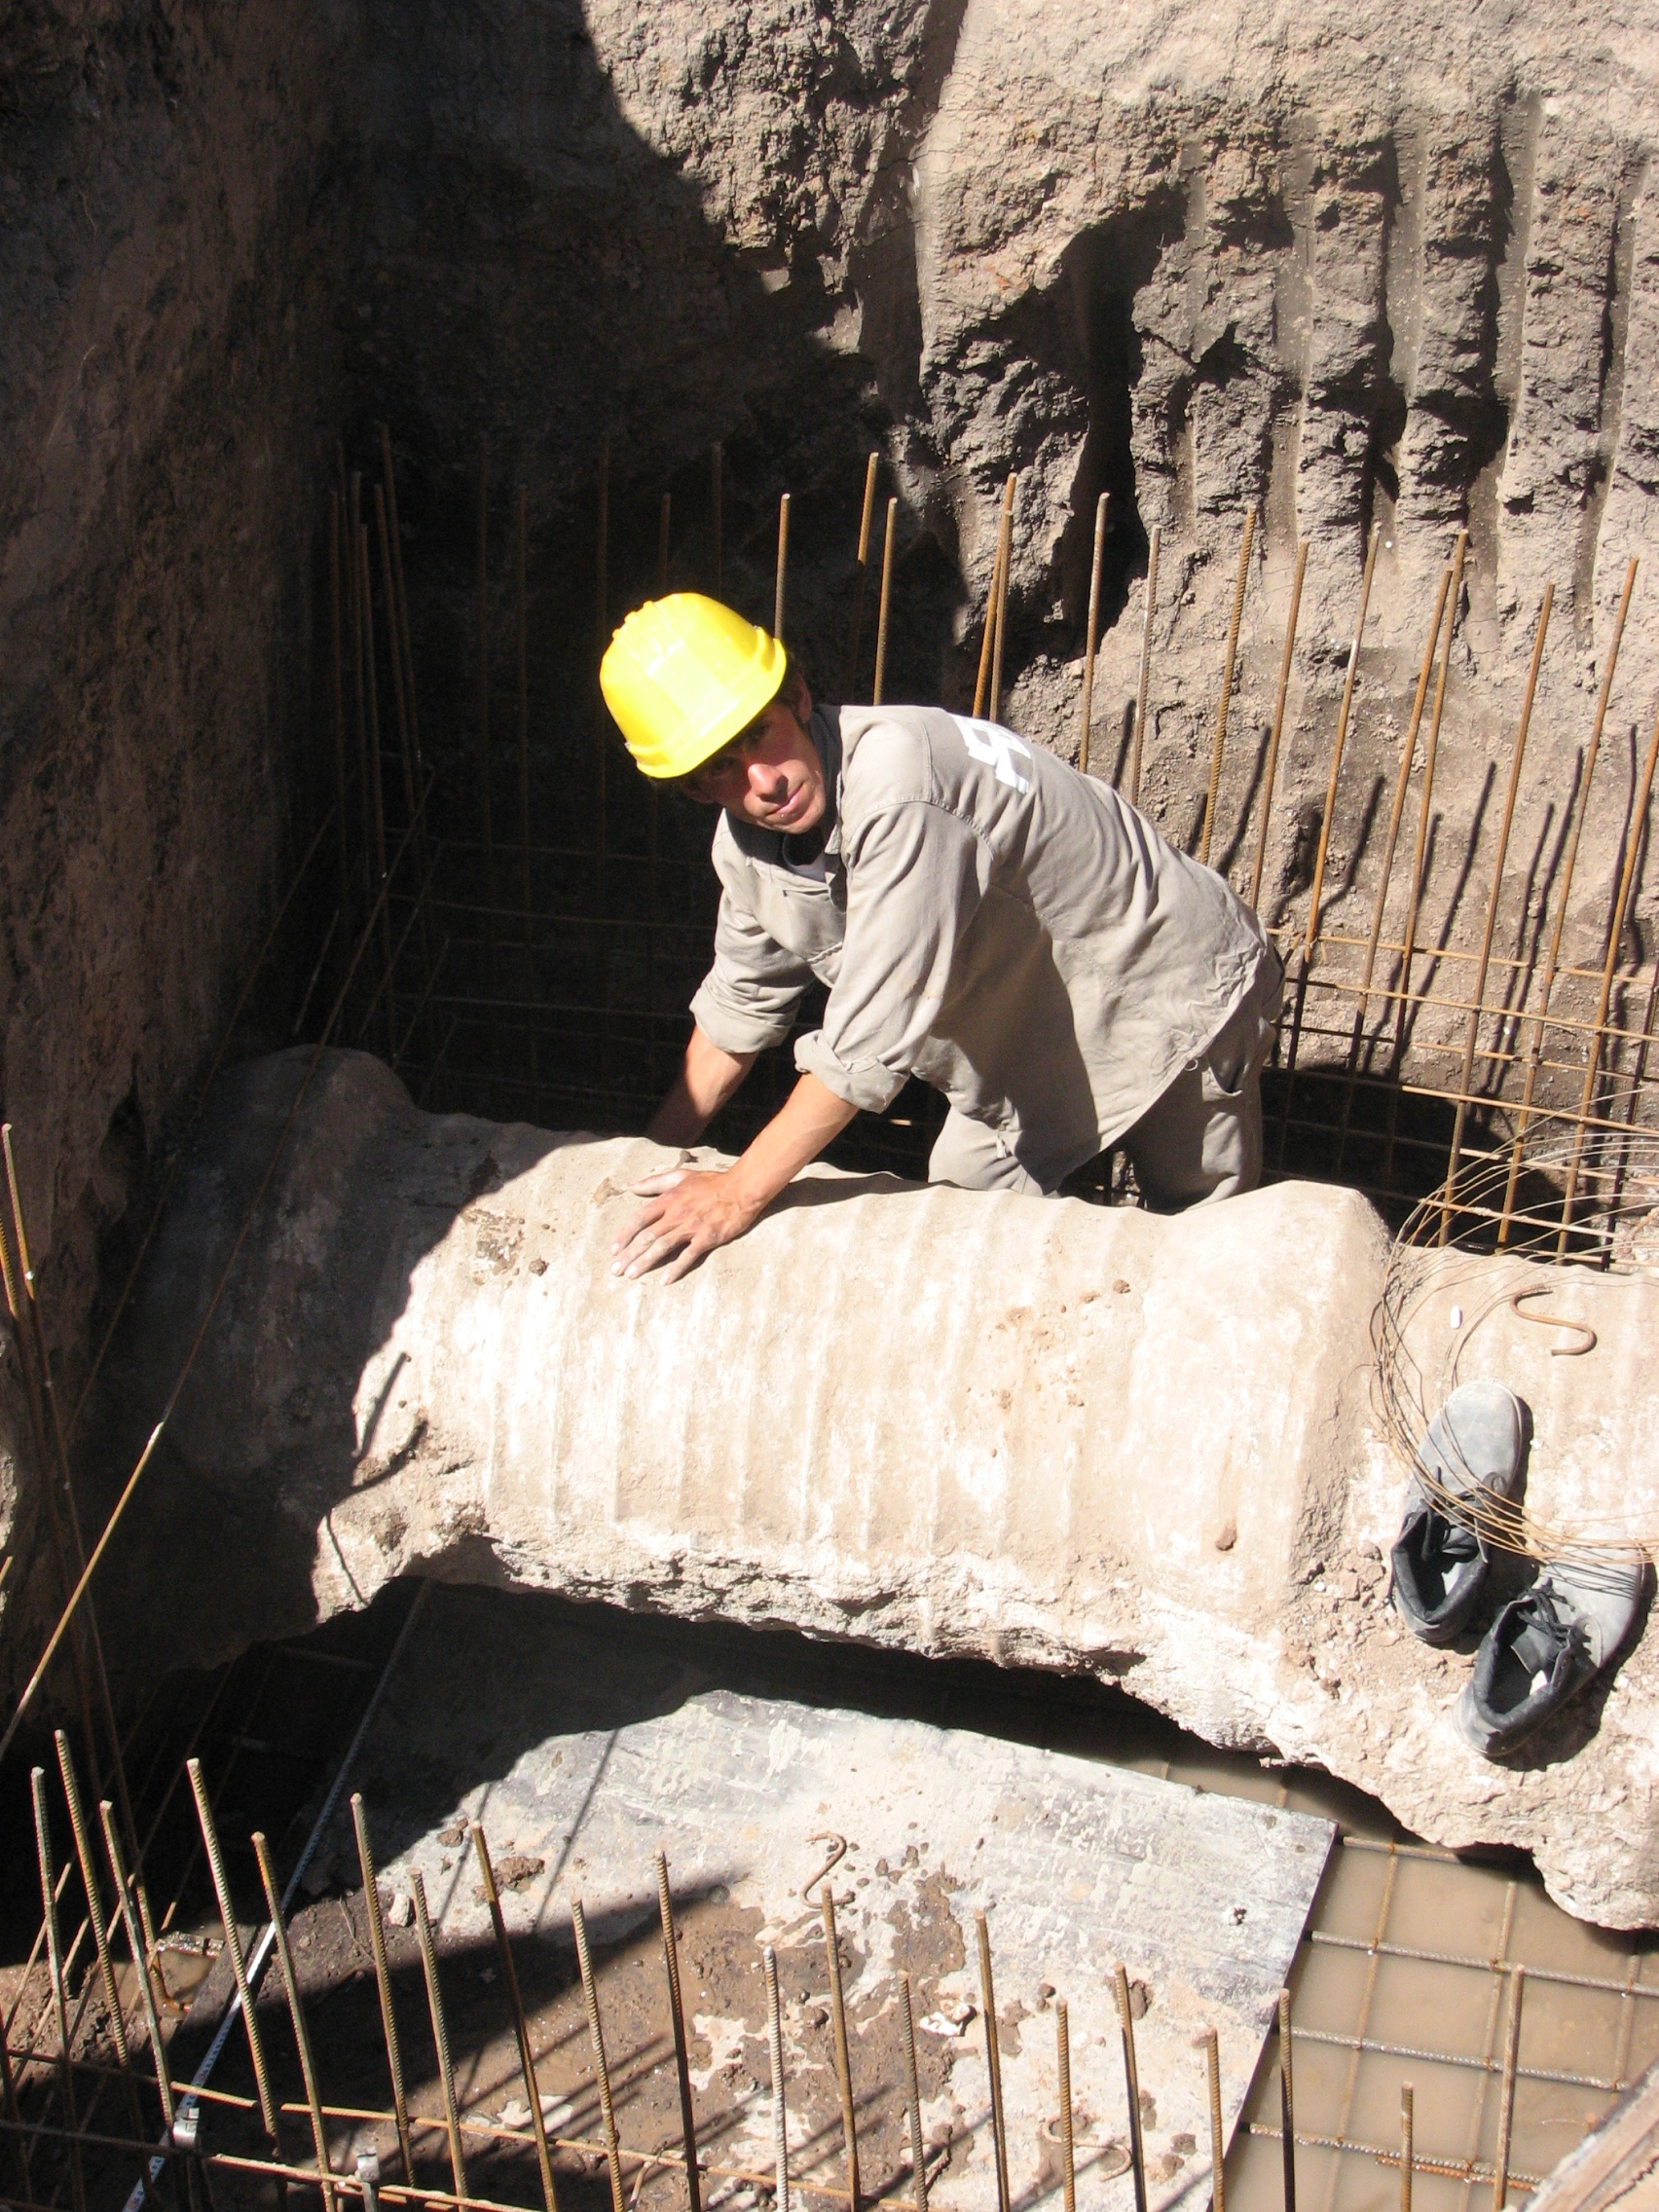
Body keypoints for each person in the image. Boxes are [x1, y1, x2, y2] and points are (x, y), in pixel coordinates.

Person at [599, 593, 1282, 1283]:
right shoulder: (747, 849)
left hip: (1169, 991)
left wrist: (736, 1194)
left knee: (1201, 1246)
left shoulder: (899, 786)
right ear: (692, 790)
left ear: (800, 699)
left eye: (759, 734)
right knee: (962, 1217)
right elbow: (740, 1006)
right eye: (720, 766)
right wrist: (645, 1155)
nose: (763, 781)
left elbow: (870, 1043)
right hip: (1025, 1032)